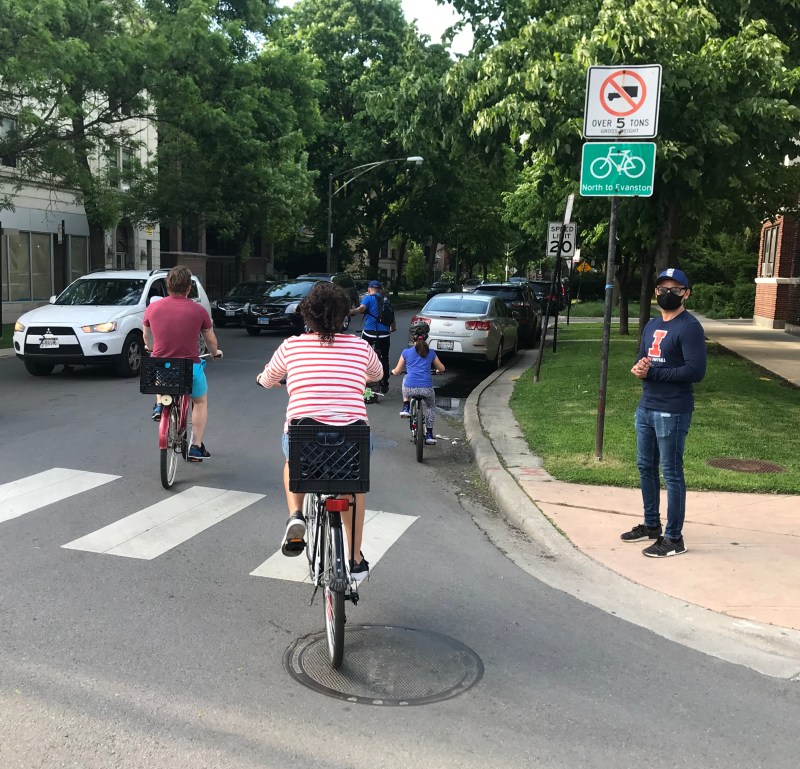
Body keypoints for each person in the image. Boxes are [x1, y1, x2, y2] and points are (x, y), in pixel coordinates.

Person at [257, 281, 383, 581]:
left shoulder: (291, 346)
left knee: (292, 460)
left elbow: (269, 378)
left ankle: (296, 515)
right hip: (351, 440)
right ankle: (354, 558)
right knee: (354, 485)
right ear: (344, 316)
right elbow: (376, 376)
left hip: (305, 438)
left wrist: (264, 378)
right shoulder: (360, 347)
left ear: (307, 315)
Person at [621, 267, 707, 558]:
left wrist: (655, 373)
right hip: (646, 406)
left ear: (686, 293)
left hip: (673, 409)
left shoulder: (690, 327)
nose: (667, 293)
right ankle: (651, 524)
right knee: (646, 467)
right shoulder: (651, 324)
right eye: (662, 288)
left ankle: (674, 538)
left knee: (671, 472)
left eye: (674, 289)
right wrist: (640, 367)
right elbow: (645, 357)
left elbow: (696, 371)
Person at [143, 265, 222, 462]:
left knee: (158, 366)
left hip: (161, 367)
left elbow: (147, 336)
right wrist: (215, 353)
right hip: (189, 367)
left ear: (168, 286)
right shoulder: (198, 310)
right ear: (189, 288)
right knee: (200, 401)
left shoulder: (152, 308)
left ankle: (160, 405)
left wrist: (151, 348)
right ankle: (196, 446)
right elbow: (210, 340)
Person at [391, 321, 445, 445]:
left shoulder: (406, 352)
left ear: (412, 338)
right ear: (426, 337)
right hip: (426, 389)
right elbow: (442, 368)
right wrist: (437, 370)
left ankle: (406, 406)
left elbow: (398, 371)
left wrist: (393, 372)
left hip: (409, 389)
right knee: (430, 407)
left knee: (405, 379)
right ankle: (430, 434)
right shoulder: (431, 353)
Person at [350, 280, 394, 394]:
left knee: (363, 356)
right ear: (380, 289)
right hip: (384, 334)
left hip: (370, 332)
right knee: (385, 358)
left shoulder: (369, 298)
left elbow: (360, 309)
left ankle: (363, 381)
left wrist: (349, 311)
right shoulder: (387, 300)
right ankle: (385, 383)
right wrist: (392, 328)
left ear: (369, 290)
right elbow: (392, 318)